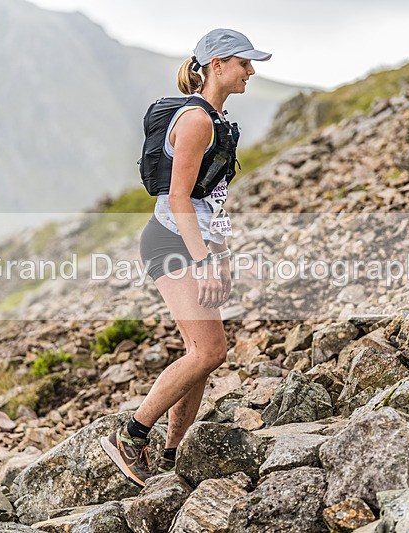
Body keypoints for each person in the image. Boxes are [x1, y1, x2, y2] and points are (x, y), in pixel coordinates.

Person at [99, 28, 271, 487]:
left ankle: (172, 455)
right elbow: (178, 199)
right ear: (217, 65)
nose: (250, 71)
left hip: (193, 243)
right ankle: (130, 436)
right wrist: (205, 262)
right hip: (170, 241)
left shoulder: (219, 121)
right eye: (243, 63)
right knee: (209, 350)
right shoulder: (196, 121)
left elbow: (212, 200)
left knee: (205, 353)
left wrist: (222, 254)